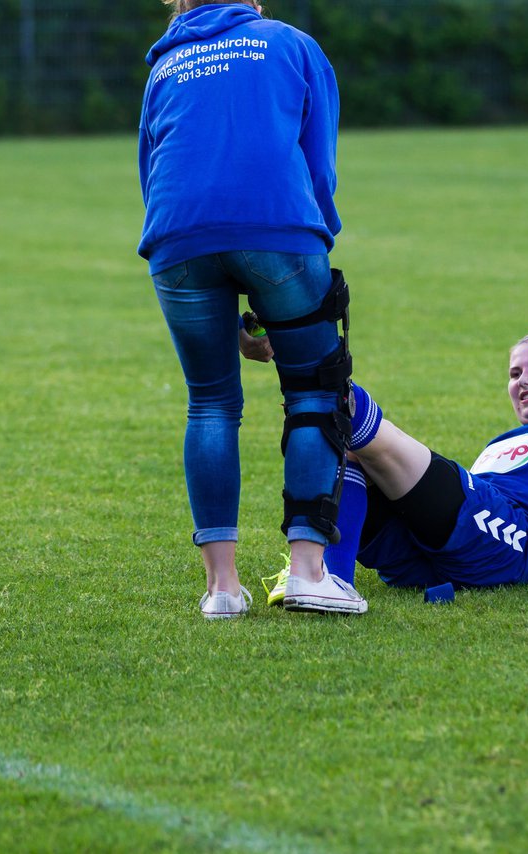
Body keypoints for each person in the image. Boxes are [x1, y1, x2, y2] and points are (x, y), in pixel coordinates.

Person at [138, 0, 366, 619]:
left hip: (177, 241)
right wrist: (308, 252)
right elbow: (317, 166)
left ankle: (221, 591)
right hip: (279, 233)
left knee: (210, 401)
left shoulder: (165, 63)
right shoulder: (290, 43)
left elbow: (153, 171)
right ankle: (308, 572)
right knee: (316, 390)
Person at [255, 331, 528, 599]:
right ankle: (331, 579)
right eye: (514, 373)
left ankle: (301, 349)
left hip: (514, 540)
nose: (523, 379)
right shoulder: (501, 441)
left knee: (339, 412)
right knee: (336, 442)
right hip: (435, 556)